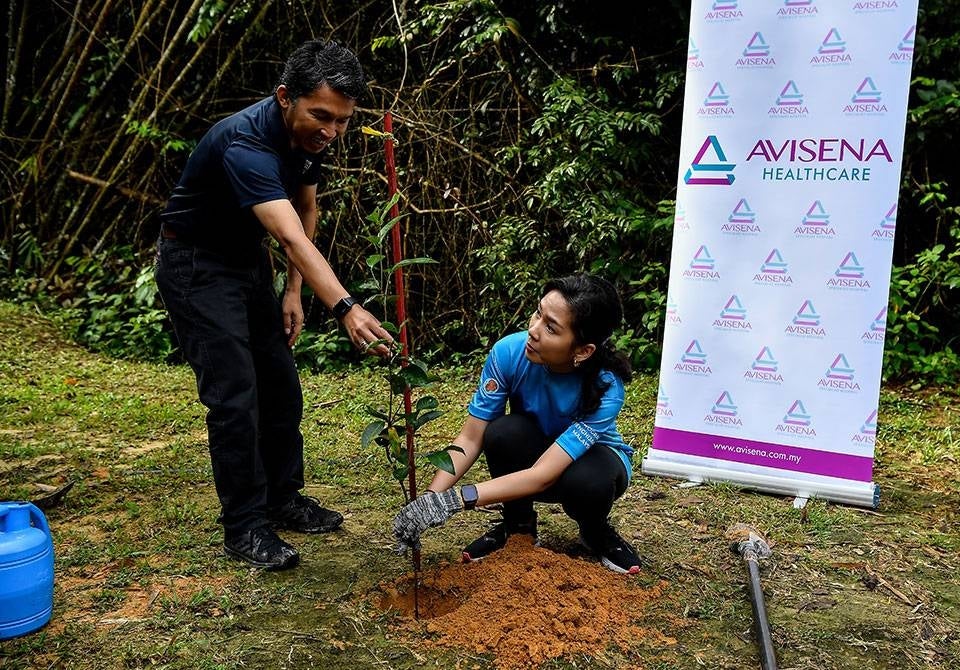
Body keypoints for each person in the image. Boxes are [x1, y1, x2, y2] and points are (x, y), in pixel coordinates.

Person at [155, 40, 392, 571]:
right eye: (321, 116)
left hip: (245, 264)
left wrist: (292, 292)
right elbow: (292, 238)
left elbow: (306, 208)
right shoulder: (246, 143)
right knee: (235, 395)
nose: (331, 131)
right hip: (194, 264)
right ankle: (244, 526)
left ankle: (283, 498)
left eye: (343, 121)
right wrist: (346, 307)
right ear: (285, 97)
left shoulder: (308, 142)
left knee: (280, 386)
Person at [392, 274, 641, 574]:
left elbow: (543, 475)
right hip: (534, 452)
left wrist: (456, 500)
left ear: (583, 350)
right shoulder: (508, 353)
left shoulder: (606, 388)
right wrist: (430, 500)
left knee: (589, 482)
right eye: (538, 313)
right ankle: (518, 527)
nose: (532, 331)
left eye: (551, 327)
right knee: (502, 433)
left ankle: (595, 531)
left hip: (590, 464)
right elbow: (471, 438)